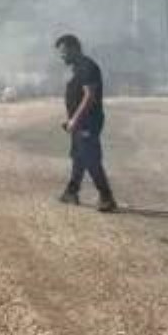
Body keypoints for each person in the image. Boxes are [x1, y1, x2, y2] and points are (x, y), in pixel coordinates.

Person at [55, 34, 118, 212]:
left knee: (91, 159)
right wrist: (71, 119)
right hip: (80, 122)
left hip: (88, 123)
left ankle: (106, 197)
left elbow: (89, 96)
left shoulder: (87, 67)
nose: (62, 57)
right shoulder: (78, 68)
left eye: (64, 52)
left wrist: (75, 119)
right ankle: (71, 191)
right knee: (78, 156)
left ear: (74, 49)